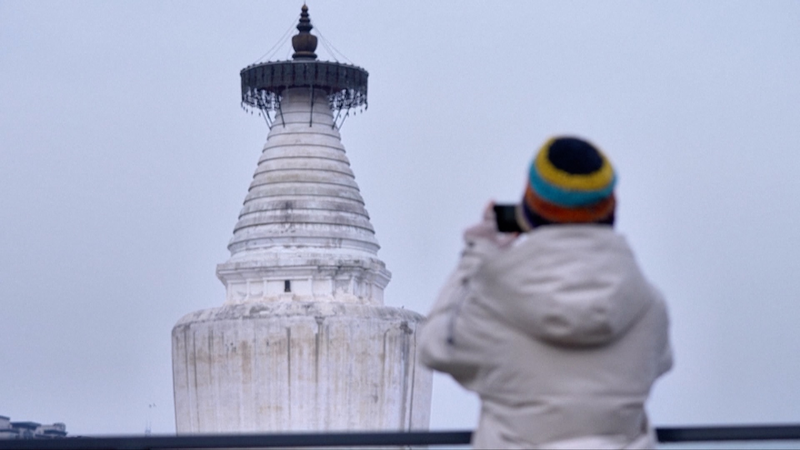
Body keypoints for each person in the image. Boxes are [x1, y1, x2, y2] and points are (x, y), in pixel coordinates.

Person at [418, 136, 673, 449]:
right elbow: (662, 360)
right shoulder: (650, 307)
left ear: (528, 209)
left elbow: (435, 344)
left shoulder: (492, 300)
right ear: (611, 208)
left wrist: (475, 257)